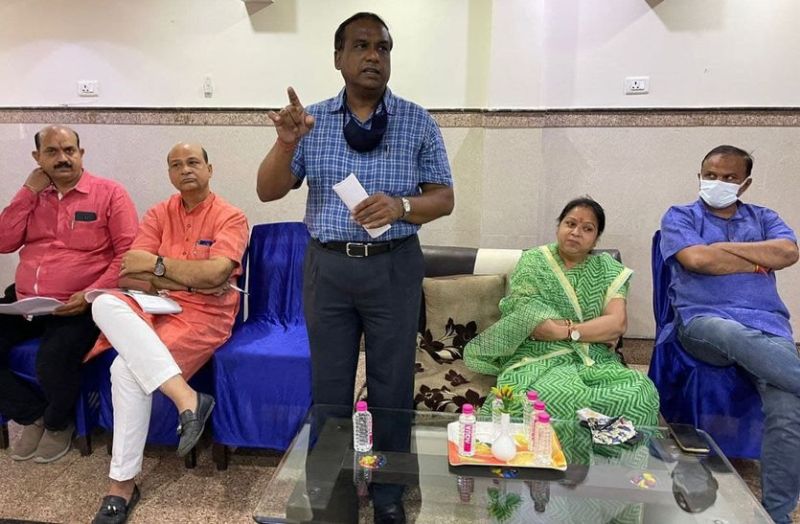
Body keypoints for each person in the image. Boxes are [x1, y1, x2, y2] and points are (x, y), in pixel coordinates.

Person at [256, 12, 453, 523]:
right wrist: (286, 142)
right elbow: (268, 190)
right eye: (361, 46)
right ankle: (332, 492)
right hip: (329, 269)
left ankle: (388, 493)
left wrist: (402, 206)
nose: (373, 56)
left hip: (393, 268)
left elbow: (444, 197)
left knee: (392, 387)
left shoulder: (417, 120)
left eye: (382, 47)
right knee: (329, 388)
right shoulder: (311, 122)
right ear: (338, 57)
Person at [85, 143, 249, 524]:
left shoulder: (230, 216)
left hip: (206, 316)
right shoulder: (159, 213)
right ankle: (187, 398)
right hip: (157, 306)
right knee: (102, 303)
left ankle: (121, 486)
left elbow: (217, 274)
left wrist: (157, 267)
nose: (185, 169)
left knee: (124, 369)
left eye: (192, 162)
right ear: (170, 174)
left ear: (210, 168)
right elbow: (129, 274)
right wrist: (187, 279)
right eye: (176, 165)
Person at [660, 145, 800, 524]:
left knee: (788, 409)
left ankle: (776, 515)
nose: (717, 182)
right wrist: (756, 260)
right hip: (705, 322)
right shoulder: (681, 216)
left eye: (729, 177)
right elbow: (696, 259)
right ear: (699, 175)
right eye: (711, 175)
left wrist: (724, 248)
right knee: (734, 334)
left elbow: (788, 253)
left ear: (745, 184)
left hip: (768, 324)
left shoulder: (764, 217)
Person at [0, 125, 138, 463]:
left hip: (80, 304)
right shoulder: (32, 198)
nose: (62, 158)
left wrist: (90, 294)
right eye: (52, 151)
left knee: (53, 359)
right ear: (37, 158)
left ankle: (58, 424)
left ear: (81, 153)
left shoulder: (109, 193)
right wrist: (27, 192)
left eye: (69, 150)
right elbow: (4, 242)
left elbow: (128, 253)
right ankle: (32, 414)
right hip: (25, 301)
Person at [464, 197, 660, 427]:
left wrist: (565, 331)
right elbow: (532, 321)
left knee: (641, 392)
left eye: (587, 228)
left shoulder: (608, 270)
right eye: (570, 224)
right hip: (538, 356)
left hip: (595, 359)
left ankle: (609, 452)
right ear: (559, 226)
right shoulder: (534, 262)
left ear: (596, 239)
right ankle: (548, 450)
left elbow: (616, 324)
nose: (576, 232)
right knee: (549, 395)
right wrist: (594, 330)